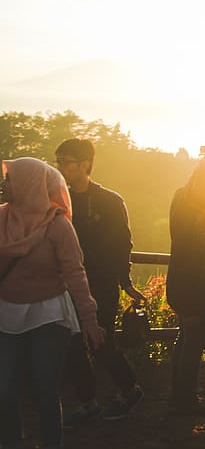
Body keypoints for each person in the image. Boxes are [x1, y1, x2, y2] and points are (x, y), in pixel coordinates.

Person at [0, 158, 105, 449]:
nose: (5, 185)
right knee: (4, 390)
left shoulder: (57, 226)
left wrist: (89, 320)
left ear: (29, 184)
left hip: (48, 315)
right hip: (5, 314)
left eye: (10, 179)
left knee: (44, 388)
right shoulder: (1, 219)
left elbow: (75, 273)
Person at [52, 139, 144, 427]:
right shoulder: (56, 200)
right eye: (58, 161)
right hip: (65, 283)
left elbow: (122, 244)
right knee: (72, 343)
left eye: (66, 161)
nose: (61, 167)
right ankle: (88, 402)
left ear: (85, 164)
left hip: (102, 283)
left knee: (100, 340)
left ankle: (129, 390)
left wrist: (125, 280)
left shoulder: (110, 201)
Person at [166, 157, 205, 414]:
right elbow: (199, 250)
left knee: (186, 341)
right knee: (192, 343)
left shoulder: (181, 198)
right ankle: (186, 399)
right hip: (194, 286)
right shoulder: (198, 210)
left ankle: (179, 395)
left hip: (183, 284)